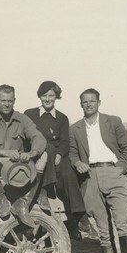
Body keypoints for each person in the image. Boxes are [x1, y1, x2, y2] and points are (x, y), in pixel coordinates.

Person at [69, 88, 127, 253]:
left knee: (122, 223)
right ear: (81, 104)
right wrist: (77, 164)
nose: (89, 104)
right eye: (85, 101)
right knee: (103, 231)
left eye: (92, 101)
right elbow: (72, 154)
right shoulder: (74, 128)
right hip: (90, 177)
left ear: (99, 102)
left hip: (114, 173)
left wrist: (120, 169)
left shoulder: (113, 122)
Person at [0, 84, 48, 227]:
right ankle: (0, 198)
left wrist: (32, 153)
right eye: (3, 100)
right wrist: (2, 152)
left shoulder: (22, 119)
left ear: (14, 100)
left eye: (10, 101)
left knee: (43, 155)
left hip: (16, 168)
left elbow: (39, 138)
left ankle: (24, 202)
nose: (7, 104)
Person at [24, 81, 87, 241]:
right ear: (39, 96)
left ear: (56, 97)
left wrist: (59, 155)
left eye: (51, 95)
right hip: (37, 156)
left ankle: (79, 215)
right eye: (44, 95)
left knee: (68, 173)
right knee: (47, 149)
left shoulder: (62, 118)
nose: (47, 99)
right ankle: (44, 190)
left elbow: (65, 142)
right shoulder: (29, 114)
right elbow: (26, 138)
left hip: (57, 158)